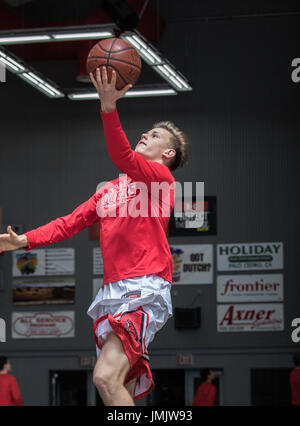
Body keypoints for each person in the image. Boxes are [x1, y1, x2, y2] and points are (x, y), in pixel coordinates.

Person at [0, 67, 190, 406]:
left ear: (168, 154)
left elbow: (122, 155)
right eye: (146, 131)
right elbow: (67, 223)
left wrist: (107, 107)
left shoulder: (161, 179)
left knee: (103, 377)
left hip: (145, 286)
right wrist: (22, 241)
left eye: (155, 135)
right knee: (118, 386)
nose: (145, 135)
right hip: (113, 290)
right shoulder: (110, 190)